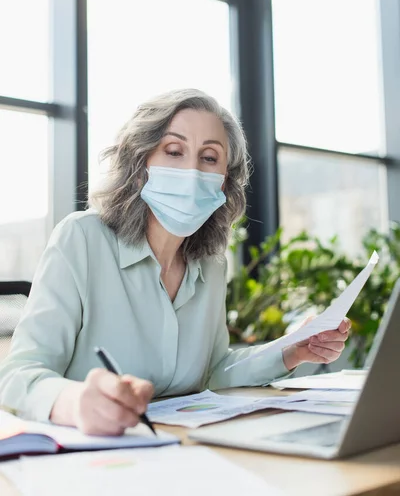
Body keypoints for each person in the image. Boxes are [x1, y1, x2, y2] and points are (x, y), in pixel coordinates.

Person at [0, 89, 350, 436]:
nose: (192, 171)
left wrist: (291, 350)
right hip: (92, 457)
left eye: (209, 158)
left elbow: (212, 371)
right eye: (173, 151)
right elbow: (18, 377)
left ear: (224, 182)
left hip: (177, 449)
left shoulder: (211, 264)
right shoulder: (81, 240)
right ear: (140, 167)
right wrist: (75, 402)